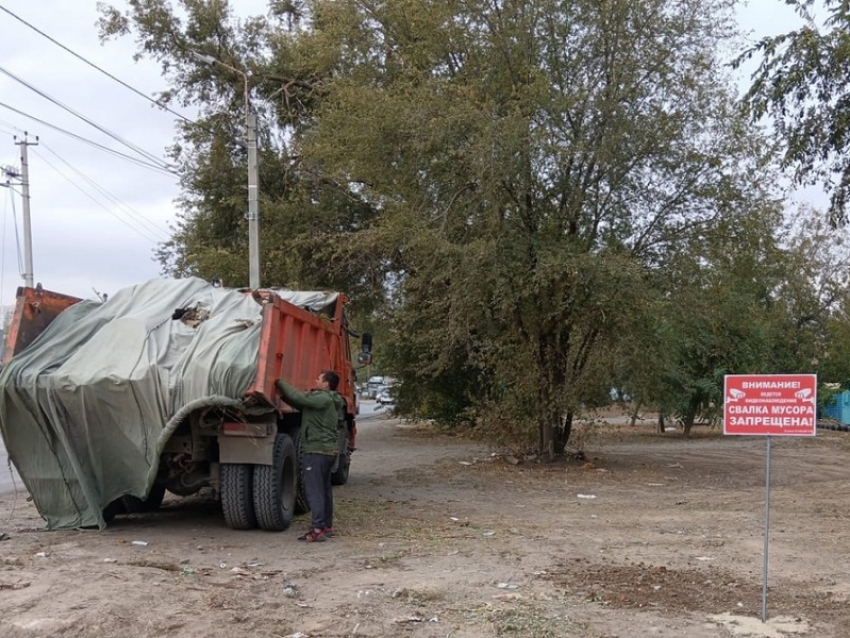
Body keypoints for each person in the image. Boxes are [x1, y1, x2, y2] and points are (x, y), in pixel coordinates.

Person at [276, 370, 343, 542]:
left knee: (314, 491)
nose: (315, 380)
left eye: (319, 379)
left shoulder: (322, 398)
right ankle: (326, 526)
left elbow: (299, 398)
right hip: (327, 452)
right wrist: (284, 396)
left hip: (317, 451)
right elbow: (300, 403)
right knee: (325, 490)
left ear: (326, 384)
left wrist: (278, 380)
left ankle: (317, 529)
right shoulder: (329, 400)